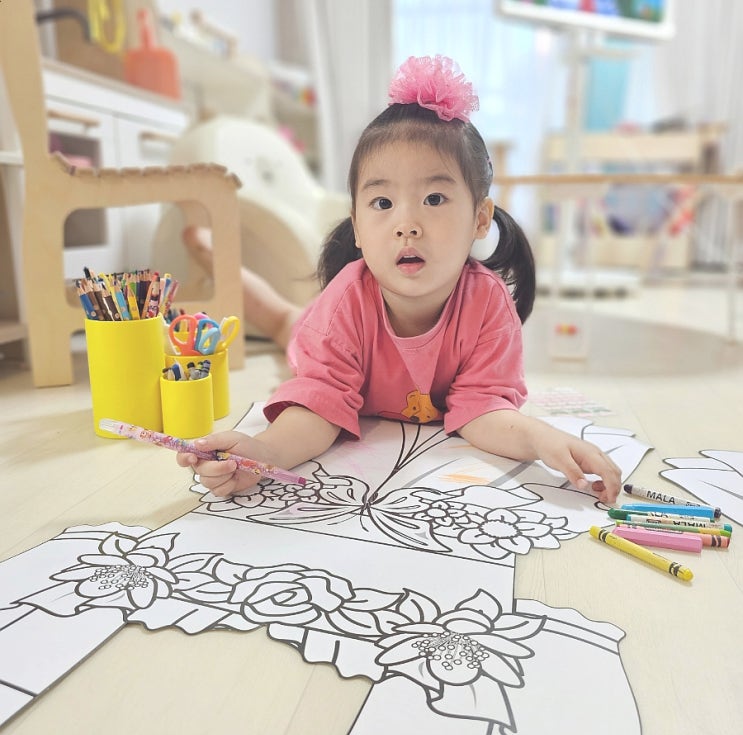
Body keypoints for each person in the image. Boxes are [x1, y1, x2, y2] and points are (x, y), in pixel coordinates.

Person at [177, 55, 621, 504]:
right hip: (322, 333)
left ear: (480, 218)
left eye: (434, 198)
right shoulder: (345, 301)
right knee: (280, 320)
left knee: (285, 316)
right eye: (383, 203)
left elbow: (483, 409)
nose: (406, 225)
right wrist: (266, 452)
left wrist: (541, 439)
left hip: (339, 332)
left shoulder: (488, 302)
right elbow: (320, 403)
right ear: (356, 225)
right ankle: (211, 254)